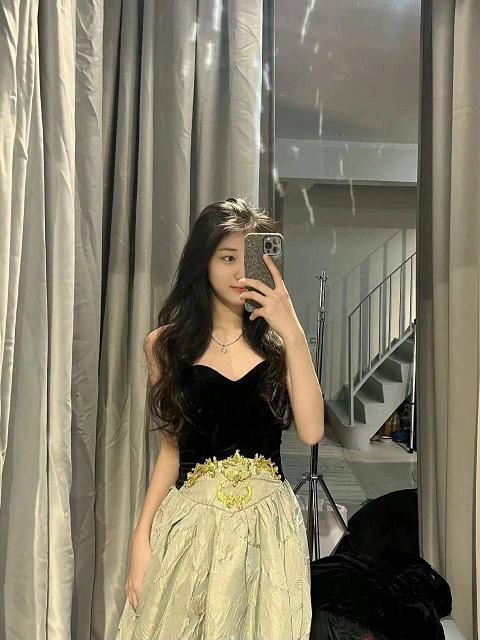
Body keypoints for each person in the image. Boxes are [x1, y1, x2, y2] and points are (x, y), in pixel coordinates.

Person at [115, 197, 324, 640]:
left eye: (249, 259)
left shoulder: (280, 345)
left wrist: (292, 328)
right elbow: (170, 450)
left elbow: (312, 431)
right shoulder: (164, 345)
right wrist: (141, 536)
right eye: (227, 257)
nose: (239, 272)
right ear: (203, 261)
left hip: (267, 528)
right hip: (193, 526)